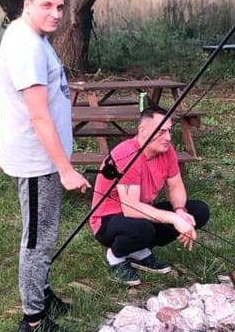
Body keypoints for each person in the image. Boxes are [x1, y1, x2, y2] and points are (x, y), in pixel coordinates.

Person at [0, 0, 89, 332]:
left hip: (46, 160)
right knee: (37, 239)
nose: (56, 13)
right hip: (39, 164)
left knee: (45, 233)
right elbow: (38, 115)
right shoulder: (27, 47)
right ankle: (32, 321)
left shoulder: (35, 39)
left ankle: (42, 292)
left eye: (60, 6)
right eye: (47, 5)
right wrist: (65, 169)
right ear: (28, 4)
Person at [89, 105, 210, 285]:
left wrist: (180, 210)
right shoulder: (127, 154)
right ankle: (116, 256)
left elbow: (175, 185)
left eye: (169, 131)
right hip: (108, 219)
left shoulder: (167, 151)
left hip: (141, 213)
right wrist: (172, 219)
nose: (168, 137)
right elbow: (131, 208)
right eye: (161, 132)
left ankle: (139, 252)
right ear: (143, 130)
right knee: (143, 228)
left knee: (198, 211)